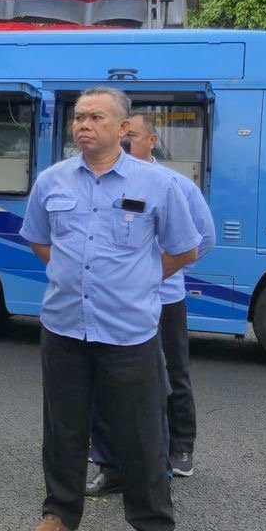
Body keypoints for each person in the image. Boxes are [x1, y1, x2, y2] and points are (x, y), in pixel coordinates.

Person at [20, 86, 202, 531]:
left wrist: (140, 278)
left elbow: (185, 249)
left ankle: (152, 529)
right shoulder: (52, 181)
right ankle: (59, 514)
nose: (83, 124)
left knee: (141, 432)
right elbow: (38, 238)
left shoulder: (159, 184)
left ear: (123, 128)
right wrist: (69, 270)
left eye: (96, 117)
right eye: (79, 117)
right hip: (63, 327)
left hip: (129, 330)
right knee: (63, 428)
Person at [87, 109, 216, 494]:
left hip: (163, 298)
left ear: (151, 141)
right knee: (107, 380)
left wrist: (155, 273)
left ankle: (179, 448)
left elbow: (202, 238)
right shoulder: (99, 183)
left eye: (133, 135)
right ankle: (110, 462)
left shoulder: (174, 184)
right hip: (112, 302)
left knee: (171, 375)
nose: (125, 141)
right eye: (121, 134)